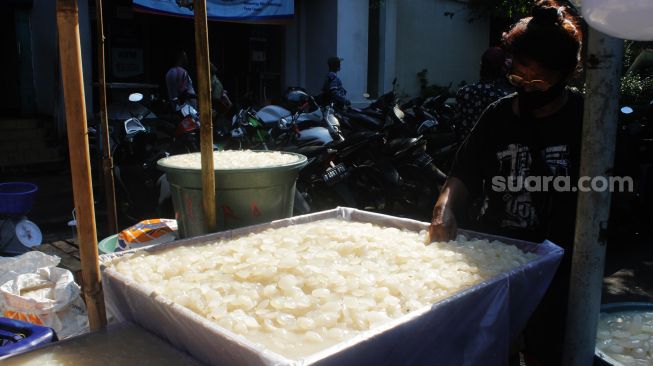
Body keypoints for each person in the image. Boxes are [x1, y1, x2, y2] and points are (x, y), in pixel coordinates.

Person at [429, 1, 583, 365]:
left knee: (548, 349)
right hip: (496, 258)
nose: (527, 88)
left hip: (559, 266)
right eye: (518, 77)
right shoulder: (497, 115)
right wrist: (444, 208)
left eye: (538, 80)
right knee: (493, 347)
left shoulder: (584, 119)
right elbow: (462, 174)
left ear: (563, 75)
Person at [455, 47, 513, 132]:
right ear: (502, 68)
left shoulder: (463, 92)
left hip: (467, 144)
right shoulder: (502, 97)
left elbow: (458, 125)